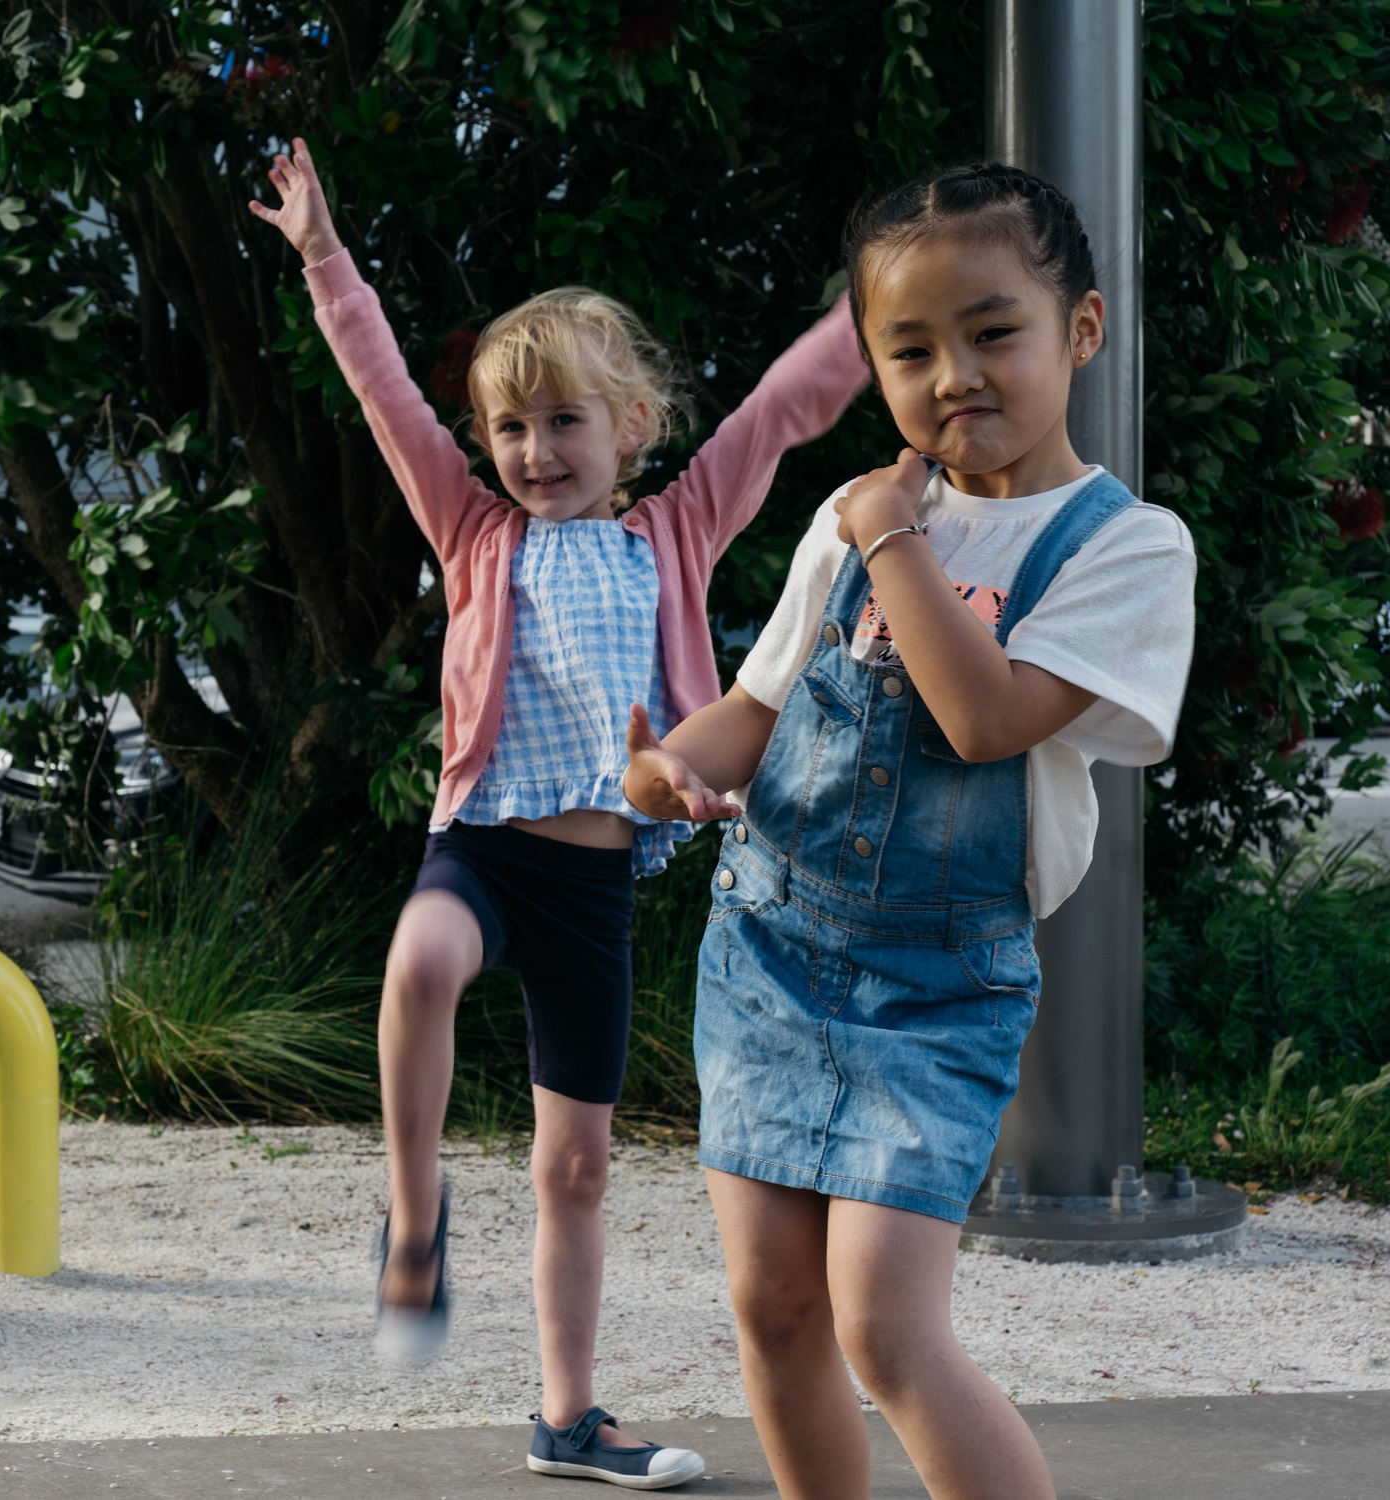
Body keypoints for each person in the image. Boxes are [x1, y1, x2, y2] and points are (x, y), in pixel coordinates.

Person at [250, 138, 868, 1489]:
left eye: (563, 423)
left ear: (627, 431)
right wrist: (319, 252)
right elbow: (381, 393)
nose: (533, 451)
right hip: (477, 847)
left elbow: (778, 411)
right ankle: (413, 1222)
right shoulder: (476, 535)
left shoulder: (676, 530)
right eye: (511, 429)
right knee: (416, 965)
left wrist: (872, 307)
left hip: (593, 886)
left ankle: (566, 1418)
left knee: (573, 1168)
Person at [625, 162, 1197, 1499]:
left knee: (882, 1327)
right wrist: (661, 772)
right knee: (772, 1308)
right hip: (765, 952)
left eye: (992, 332)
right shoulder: (853, 530)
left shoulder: (1120, 548)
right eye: (908, 348)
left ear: (1081, 329)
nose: (953, 375)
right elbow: (754, 709)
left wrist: (893, 538)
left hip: (936, 989)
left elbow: (984, 716)